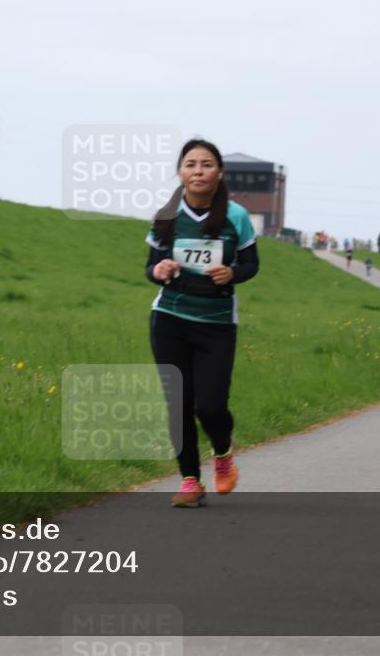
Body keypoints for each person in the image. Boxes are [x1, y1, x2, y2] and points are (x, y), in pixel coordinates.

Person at [145, 138, 259, 508]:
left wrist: (232, 273)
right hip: (169, 320)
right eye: (190, 164)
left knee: (210, 405)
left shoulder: (236, 217)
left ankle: (222, 452)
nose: (198, 171)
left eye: (206, 164)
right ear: (180, 172)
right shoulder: (166, 215)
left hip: (217, 323)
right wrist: (159, 269)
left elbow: (251, 264)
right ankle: (190, 480)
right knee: (179, 403)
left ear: (219, 172)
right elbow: (150, 266)